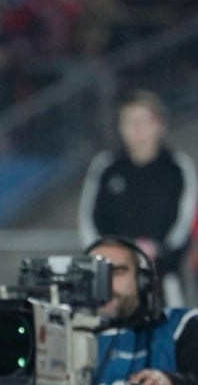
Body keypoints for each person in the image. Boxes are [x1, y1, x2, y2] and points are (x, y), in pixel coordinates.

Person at [78, 89, 197, 306]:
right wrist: (112, 258)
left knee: (167, 337)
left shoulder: (178, 168)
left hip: (164, 283)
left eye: (142, 121)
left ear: (159, 124)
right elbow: (90, 220)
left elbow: (184, 223)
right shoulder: (106, 167)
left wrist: (155, 253)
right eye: (129, 122)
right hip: (111, 285)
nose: (136, 130)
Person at [85, 236, 198, 385]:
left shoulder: (182, 326)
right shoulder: (61, 332)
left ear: (143, 281)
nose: (104, 283)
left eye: (117, 272)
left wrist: (172, 382)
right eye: (95, 273)